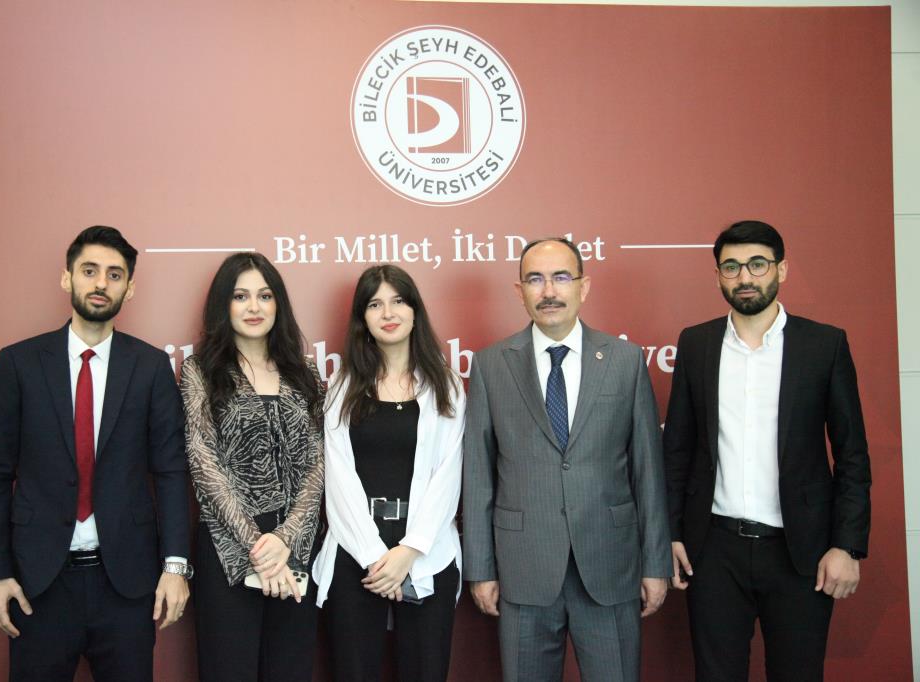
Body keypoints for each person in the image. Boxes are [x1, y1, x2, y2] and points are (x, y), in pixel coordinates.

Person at [0, 225, 191, 682]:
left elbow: (171, 471)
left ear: (129, 288)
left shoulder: (151, 367)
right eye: (89, 270)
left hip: (127, 585)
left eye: (114, 274)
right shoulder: (18, 363)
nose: (101, 283)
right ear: (66, 277)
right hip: (38, 584)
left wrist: (175, 566)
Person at [663, 220, 871, 681]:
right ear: (718, 276)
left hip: (801, 552)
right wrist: (671, 533)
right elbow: (677, 448)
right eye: (731, 267)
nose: (745, 277)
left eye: (757, 264)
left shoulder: (824, 345)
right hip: (713, 550)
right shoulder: (696, 344)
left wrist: (847, 546)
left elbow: (852, 455)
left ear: (782, 269)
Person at [463, 237, 671, 682]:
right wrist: (480, 568)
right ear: (519, 291)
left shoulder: (625, 361)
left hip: (610, 564)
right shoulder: (490, 365)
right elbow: (478, 476)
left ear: (583, 286)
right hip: (523, 568)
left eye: (561, 277)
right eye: (535, 280)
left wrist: (656, 564)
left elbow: (648, 472)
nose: (549, 291)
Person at [312, 264, 465, 682]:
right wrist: (375, 558)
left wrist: (410, 551)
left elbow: (448, 475)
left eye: (398, 301)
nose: (388, 313)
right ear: (362, 318)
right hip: (355, 551)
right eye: (375, 304)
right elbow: (339, 477)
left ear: (415, 310)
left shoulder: (446, 386)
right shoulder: (343, 387)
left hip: (428, 551)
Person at [181, 252, 324, 682]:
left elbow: (319, 462)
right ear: (223, 305)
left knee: (291, 670)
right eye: (240, 296)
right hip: (228, 548)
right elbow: (203, 461)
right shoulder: (200, 371)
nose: (254, 307)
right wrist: (259, 548)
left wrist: (285, 540)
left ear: (278, 303)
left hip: (297, 547)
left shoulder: (305, 372)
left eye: (264, 296)